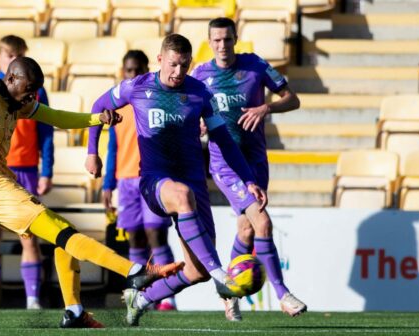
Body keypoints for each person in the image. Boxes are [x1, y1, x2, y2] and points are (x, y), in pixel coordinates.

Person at [0, 57, 184, 328]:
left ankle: (73, 312)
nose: (32, 96)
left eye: (36, 91)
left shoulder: (16, 103)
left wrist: (97, 119)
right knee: (63, 232)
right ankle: (134, 273)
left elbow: (56, 117)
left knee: (65, 236)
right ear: (10, 78)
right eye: (29, 89)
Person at [85, 34, 268, 327]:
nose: (178, 72)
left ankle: (141, 299)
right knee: (182, 197)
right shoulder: (138, 86)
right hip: (155, 181)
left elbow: (224, 139)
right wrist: (92, 152)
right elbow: (97, 106)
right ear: (160, 60)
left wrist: (248, 179)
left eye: (184, 65)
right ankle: (223, 276)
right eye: (172, 65)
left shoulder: (200, 93)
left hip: (195, 185)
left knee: (197, 270)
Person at [191, 17, 307, 320]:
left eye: (227, 40)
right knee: (263, 223)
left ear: (235, 39)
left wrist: (265, 107)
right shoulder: (201, 74)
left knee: (246, 228)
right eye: (216, 40)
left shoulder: (255, 66)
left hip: (256, 160)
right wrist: (199, 123)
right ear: (209, 42)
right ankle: (283, 295)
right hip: (225, 163)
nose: (222, 46)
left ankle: (227, 293)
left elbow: (292, 100)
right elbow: (189, 113)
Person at [0, 35, 53, 311]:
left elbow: (46, 132)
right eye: (9, 56)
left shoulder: (35, 90)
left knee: (29, 234)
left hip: (25, 170)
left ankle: (32, 299)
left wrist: (47, 170)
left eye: (18, 56)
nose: (13, 61)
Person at [103, 50, 177, 311]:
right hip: (125, 181)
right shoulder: (118, 106)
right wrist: (106, 185)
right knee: (134, 239)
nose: (133, 75)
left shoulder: (157, 99)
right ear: (123, 73)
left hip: (153, 178)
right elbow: (113, 147)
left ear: (147, 69)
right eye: (128, 71)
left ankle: (167, 296)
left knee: (156, 235)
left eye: (137, 70)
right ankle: (141, 292)